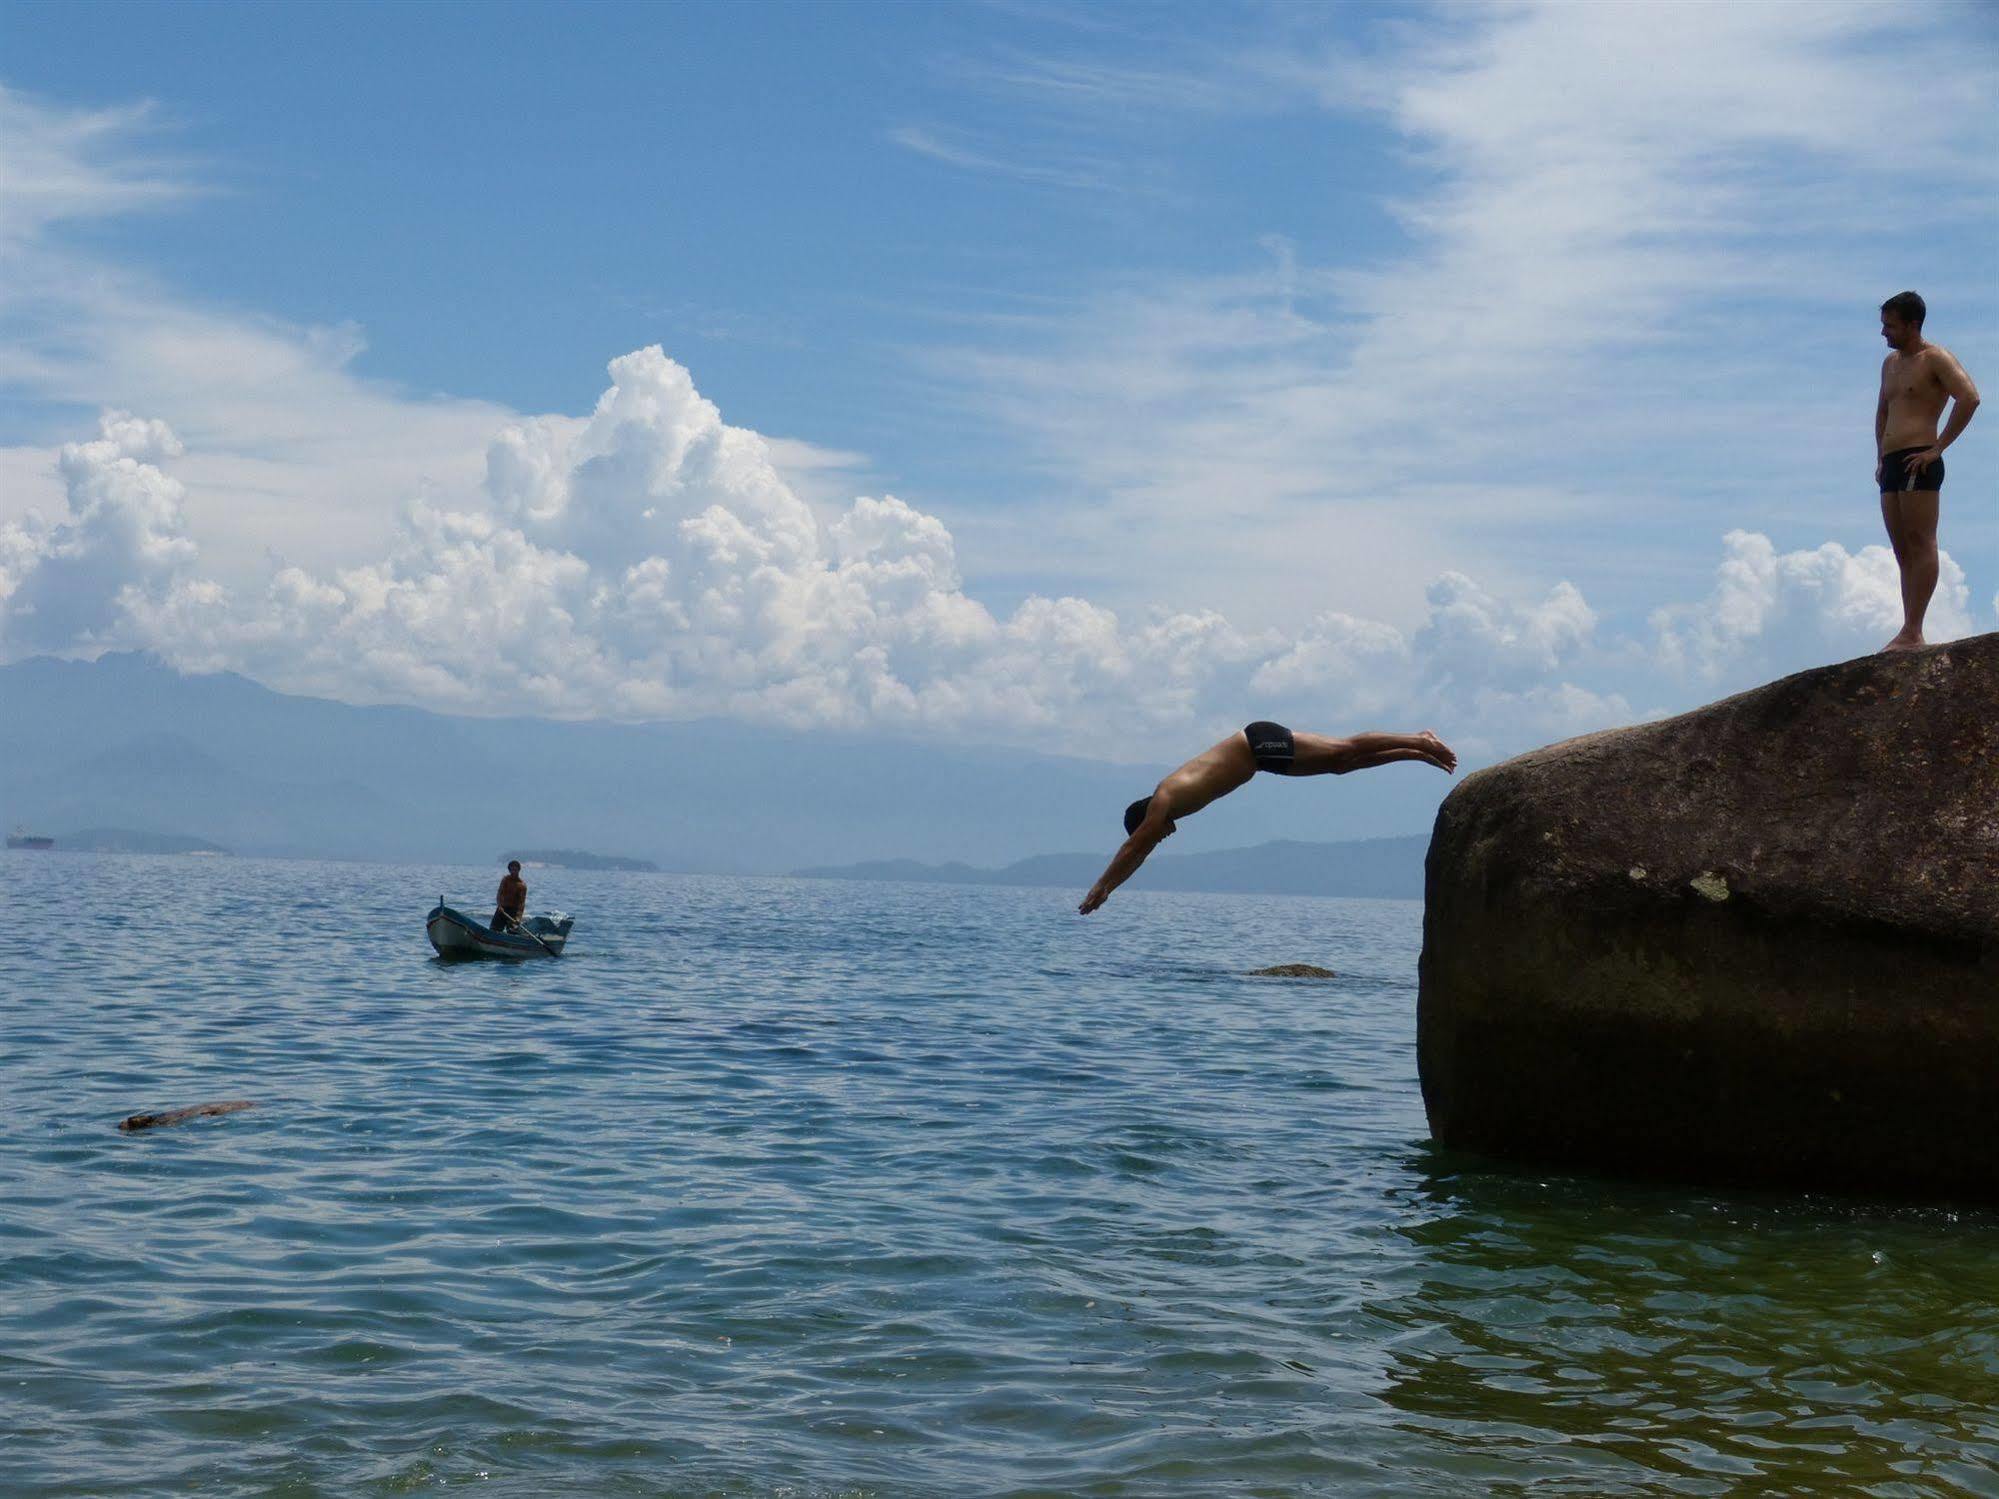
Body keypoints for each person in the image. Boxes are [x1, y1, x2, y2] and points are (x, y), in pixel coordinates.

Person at [1078, 722, 1457, 914]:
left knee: (1343, 749)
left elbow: (1135, 848)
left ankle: (1420, 738)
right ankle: (1416, 752)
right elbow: (1140, 847)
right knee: (1340, 767)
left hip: (1257, 743)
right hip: (1262, 762)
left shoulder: (1162, 799)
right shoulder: (1167, 805)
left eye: (1155, 833)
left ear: (1145, 818)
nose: (1163, 836)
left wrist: (1104, 886)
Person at [1875, 291, 1980, 652]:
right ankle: (1907, 627)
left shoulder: (1935, 358)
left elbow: (1969, 397)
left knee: (1921, 542)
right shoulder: (1890, 364)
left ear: (1912, 324)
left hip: (1920, 456)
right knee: (1901, 547)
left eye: (1890, 326)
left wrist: (1938, 448)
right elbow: (1883, 411)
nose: (1884, 333)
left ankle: (1914, 630)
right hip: (1891, 462)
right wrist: (1879, 457)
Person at [492, 860, 527, 932]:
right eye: (511, 870)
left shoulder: (522, 885)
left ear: (519, 870)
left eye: (515, 870)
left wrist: (518, 918)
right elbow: (499, 894)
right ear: (509, 870)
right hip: (502, 909)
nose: (513, 872)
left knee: (512, 931)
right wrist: (500, 906)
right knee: (494, 930)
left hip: (513, 911)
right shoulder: (505, 880)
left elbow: (521, 904)